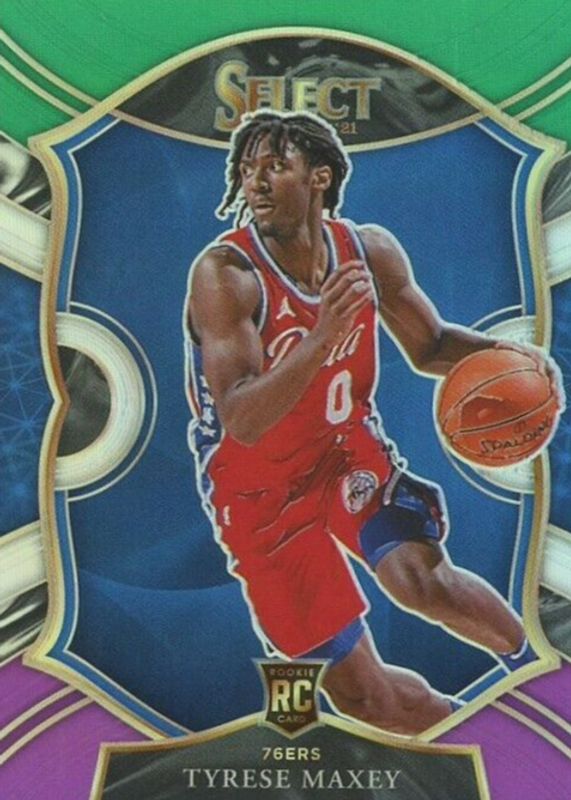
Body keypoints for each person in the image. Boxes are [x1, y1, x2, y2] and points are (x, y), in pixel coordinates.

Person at [184, 110, 544, 736]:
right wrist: (322, 336)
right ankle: (473, 736)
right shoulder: (226, 275)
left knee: (421, 582)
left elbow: (431, 346)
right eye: (247, 168)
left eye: (276, 166)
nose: (256, 182)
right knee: (366, 700)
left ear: (319, 177)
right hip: (255, 495)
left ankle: (539, 679)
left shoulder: (368, 250)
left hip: (342, 453)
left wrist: (513, 361)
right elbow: (242, 417)